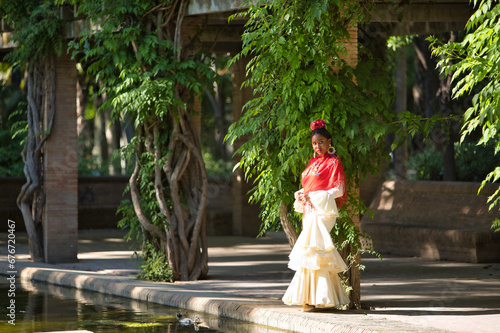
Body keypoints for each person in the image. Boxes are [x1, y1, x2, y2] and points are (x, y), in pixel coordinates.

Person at [282, 119, 350, 312]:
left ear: (329, 142)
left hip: (324, 211)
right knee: (309, 252)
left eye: (321, 142)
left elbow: (338, 189)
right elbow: (308, 187)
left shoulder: (334, 162)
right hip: (309, 210)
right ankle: (312, 297)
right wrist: (302, 194)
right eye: (314, 143)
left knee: (316, 250)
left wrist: (314, 196)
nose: (317, 146)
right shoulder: (312, 163)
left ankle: (313, 299)